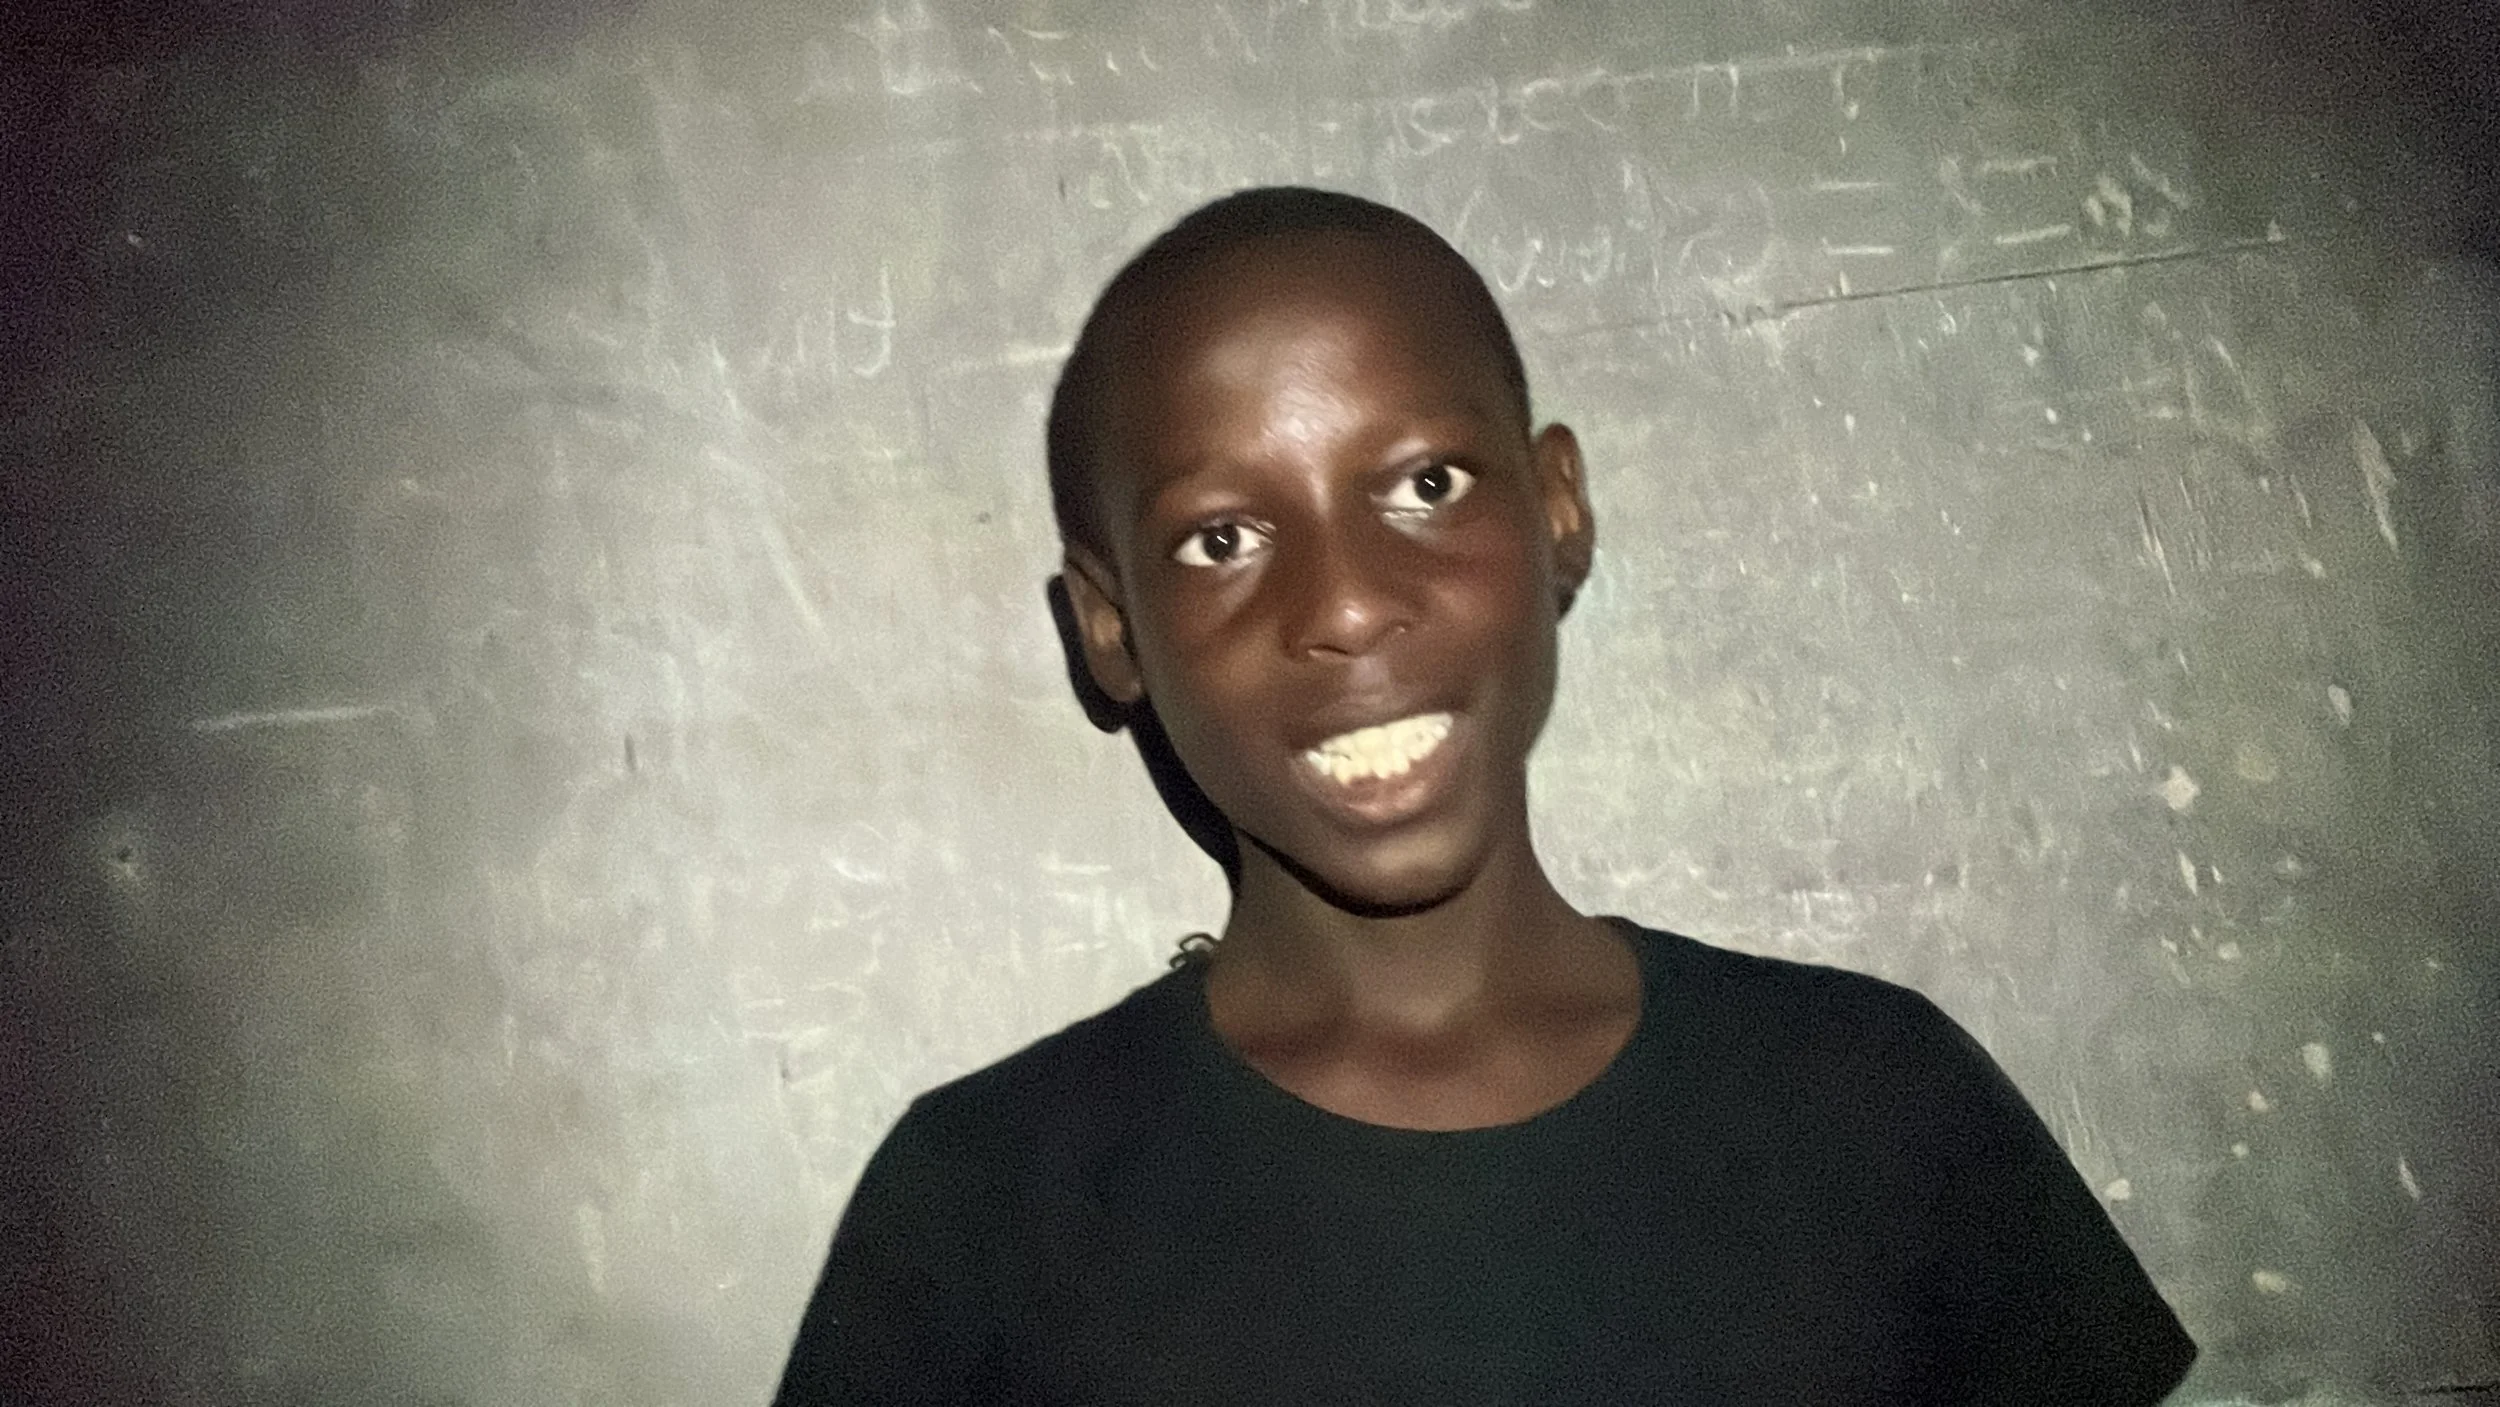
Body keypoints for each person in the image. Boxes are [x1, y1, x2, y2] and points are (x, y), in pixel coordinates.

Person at [772, 187, 2197, 1405]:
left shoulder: (1881, 1105)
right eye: (1219, 537)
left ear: (1557, 509)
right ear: (1112, 631)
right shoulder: (983, 1211)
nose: (1343, 603)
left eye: (1426, 482)